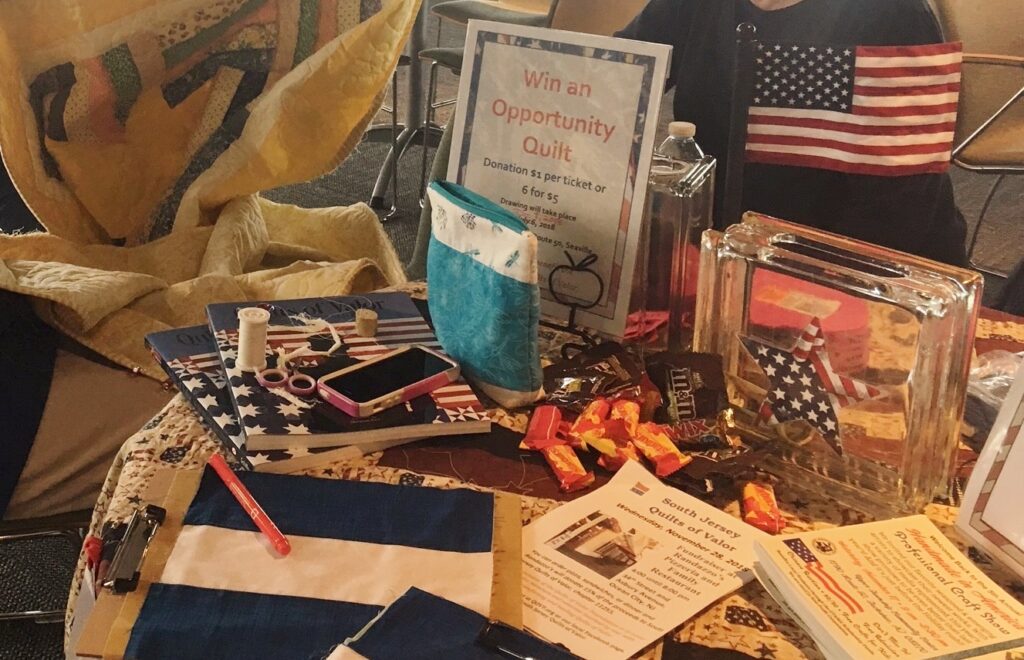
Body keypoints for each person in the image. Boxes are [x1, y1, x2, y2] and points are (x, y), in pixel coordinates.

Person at [617, 0, 969, 266]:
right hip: (722, 248)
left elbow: (898, 208)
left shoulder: (894, 13)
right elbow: (615, 79)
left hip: (855, 264)